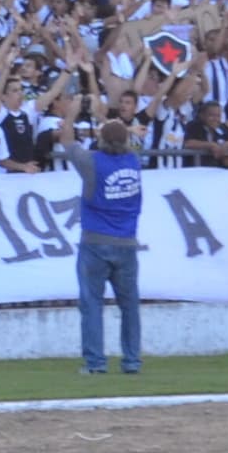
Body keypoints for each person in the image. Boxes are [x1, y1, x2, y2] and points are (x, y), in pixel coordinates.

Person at [64, 112, 144, 376]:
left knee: (91, 304)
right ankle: (132, 361)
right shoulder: (134, 161)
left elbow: (66, 140)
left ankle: (95, 363)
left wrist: (72, 111)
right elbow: (125, 139)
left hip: (95, 241)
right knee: (130, 306)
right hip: (127, 241)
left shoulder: (91, 162)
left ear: (100, 140)